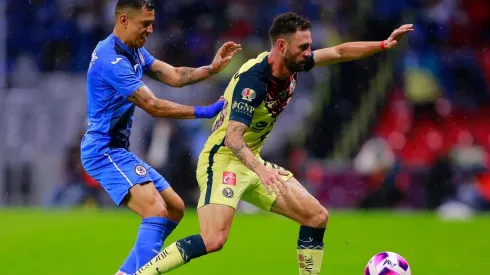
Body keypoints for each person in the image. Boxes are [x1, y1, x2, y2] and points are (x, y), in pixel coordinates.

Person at [135, 12, 413, 275]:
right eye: (303, 47)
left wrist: (382, 44)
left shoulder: (295, 64)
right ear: (282, 45)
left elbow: (339, 52)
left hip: (252, 160)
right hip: (221, 160)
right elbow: (233, 138)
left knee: (316, 217)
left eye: (309, 46)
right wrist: (263, 170)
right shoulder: (254, 82)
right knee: (213, 238)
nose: (308, 53)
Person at [79, 0, 241, 274]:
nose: (151, 29)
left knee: (174, 208)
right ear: (123, 21)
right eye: (145, 24)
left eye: (152, 22)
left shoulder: (134, 52)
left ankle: (128, 271)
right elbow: (152, 105)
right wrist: (204, 111)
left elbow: (175, 75)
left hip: (117, 150)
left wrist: (212, 68)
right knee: (155, 210)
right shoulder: (112, 60)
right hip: (103, 151)